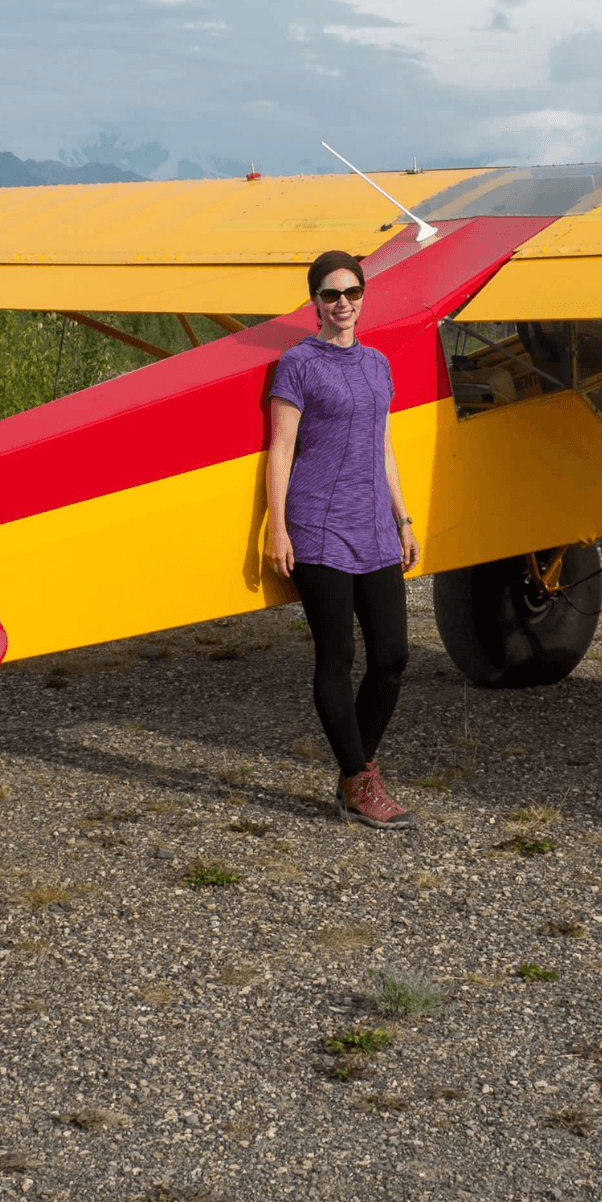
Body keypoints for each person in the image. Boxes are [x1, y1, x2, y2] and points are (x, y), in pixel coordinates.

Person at [264, 250, 419, 829]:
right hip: (318, 526)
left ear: (362, 295)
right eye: (331, 295)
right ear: (315, 303)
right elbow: (282, 450)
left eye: (352, 292)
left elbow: (383, 444)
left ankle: (356, 774)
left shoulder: (378, 363)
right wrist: (277, 526)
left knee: (393, 657)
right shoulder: (297, 364)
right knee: (338, 656)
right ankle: (359, 781)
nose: (343, 304)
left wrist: (403, 518)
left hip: (376, 525)